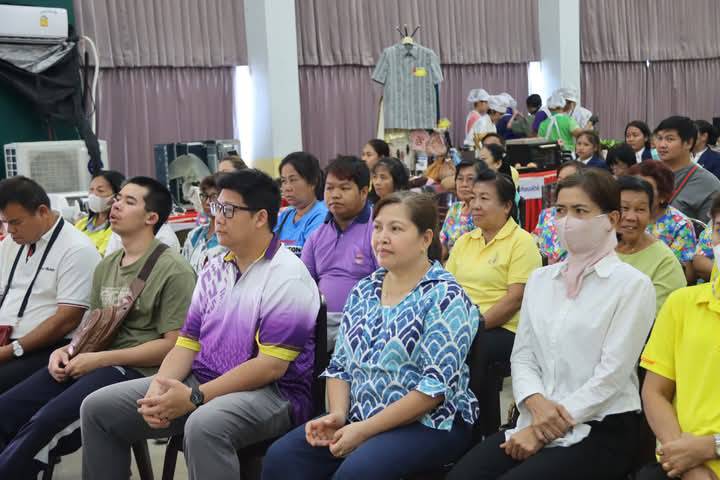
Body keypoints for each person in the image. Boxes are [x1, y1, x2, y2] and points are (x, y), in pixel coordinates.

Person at [81, 169, 320, 480]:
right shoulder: (215, 267)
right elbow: (187, 342)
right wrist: (159, 388)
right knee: (97, 409)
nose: (217, 217)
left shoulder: (287, 275)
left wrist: (195, 397)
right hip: (204, 378)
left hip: (273, 393)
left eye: (228, 210)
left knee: (204, 424)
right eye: (217, 207)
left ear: (260, 218)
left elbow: (270, 367)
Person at [447, 169, 656, 480]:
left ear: (611, 220)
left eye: (580, 211)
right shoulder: (542, 280)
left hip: (599, 424)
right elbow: (523, 356)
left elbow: (611, 376)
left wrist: (542, 430)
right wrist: (535, 404)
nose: (567, 221)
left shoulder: (631, 286)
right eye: (560, 210)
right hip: (535, 414)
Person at [262, 192, 480, 480]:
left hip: (430, 423)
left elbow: (432, 390)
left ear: (425, 239)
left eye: (396, 229)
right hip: (358, 416)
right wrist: (338, 415)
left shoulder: (446, 297)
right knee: (283, 457)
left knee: (356, 472)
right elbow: (340, 366)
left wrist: (364, 430)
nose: (382, 238)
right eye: (377, 227)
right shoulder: (364, 289)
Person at [0, 176, 196, 478]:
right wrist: (67, 350)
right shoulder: (108, 264)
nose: (116, 205)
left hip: (136, 372)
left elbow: (174, 345)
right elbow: (92, 327)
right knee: (7, 408)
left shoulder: (173, 269)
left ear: (151, 218)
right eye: (118, 198)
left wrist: (100, 359)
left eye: (129, 201)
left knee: (45, 423)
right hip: (93, 361)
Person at [638, 196, 720, 479]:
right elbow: (655, 392)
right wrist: (687, 462)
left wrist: (712, 447)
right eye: (719, 229)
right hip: (682, 463)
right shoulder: (682, 303)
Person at [0, 177, 100, 395]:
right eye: (5, 223)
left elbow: (66, 320)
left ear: (43, 211)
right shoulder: (10, 244)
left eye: (16, 222)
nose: (10, 230)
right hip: (8, 343)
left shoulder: (76, 249)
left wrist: (11, 350)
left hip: (48, 348)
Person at [447, 168, 541, 370]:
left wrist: (474, 326)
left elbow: (515, 299)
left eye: (484, 198)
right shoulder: (464, 241)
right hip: (462, 324)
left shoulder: (522, 241)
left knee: (463, 349)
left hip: (503, 328)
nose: (475, 205)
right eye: (473, 198)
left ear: (506, 206)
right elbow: (447, 289)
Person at [302, 156, 378, 347]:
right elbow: (302, 283)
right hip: (319, 324)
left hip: (364, 324)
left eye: (344, 188)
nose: (335, 195)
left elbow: (388, 285)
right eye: (329, 188)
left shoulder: (377, 230)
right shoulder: (317, 236)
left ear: (363, 192)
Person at [615, 176, 686, 314]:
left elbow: (653, 317)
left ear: (650, 215)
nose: (630, 217)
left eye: (640, 209)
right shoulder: (596, 248)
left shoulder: (665, 262)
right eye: (624, 208)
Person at [628, 161, 697, 280]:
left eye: (646, 190)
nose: (637, 195)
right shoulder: (620, 216)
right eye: (633, 188)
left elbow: (685, 275)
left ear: (663, 196)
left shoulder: (680, 225)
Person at [655, 116, 720, 223]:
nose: (662, 145)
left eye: (670, 139)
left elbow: (708, 230)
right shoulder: (648, 174)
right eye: (659, 138)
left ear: (689, 143)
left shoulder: (709, 184)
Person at [532, 160, 586, 264]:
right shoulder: (546, 214)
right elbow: (535, 242)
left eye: (568, 180)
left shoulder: (589, 217)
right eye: (559, 180)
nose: (561, 185)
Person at [275, 152, 328, 256]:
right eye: (284, 181)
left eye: (293, 180)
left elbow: (310, 259)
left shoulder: (322, 216)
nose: (287, 188)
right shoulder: (285, 215)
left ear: (313, 182)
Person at [181, 174, 227, 272]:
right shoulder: (195, 235)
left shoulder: (230, 237)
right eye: (204, 196)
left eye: (214, 196)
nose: (207, 202)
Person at [75, 170, 126, 256]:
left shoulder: (119, 227)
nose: (93, 195)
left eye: (100, 191)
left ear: (117, 195)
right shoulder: (81, 224)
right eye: (91, 190)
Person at [440, 160, 478, 258]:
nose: (464, 184)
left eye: (470, 179)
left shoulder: (481, 212)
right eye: (460, 179)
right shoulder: (455, 208)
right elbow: (443, 244)